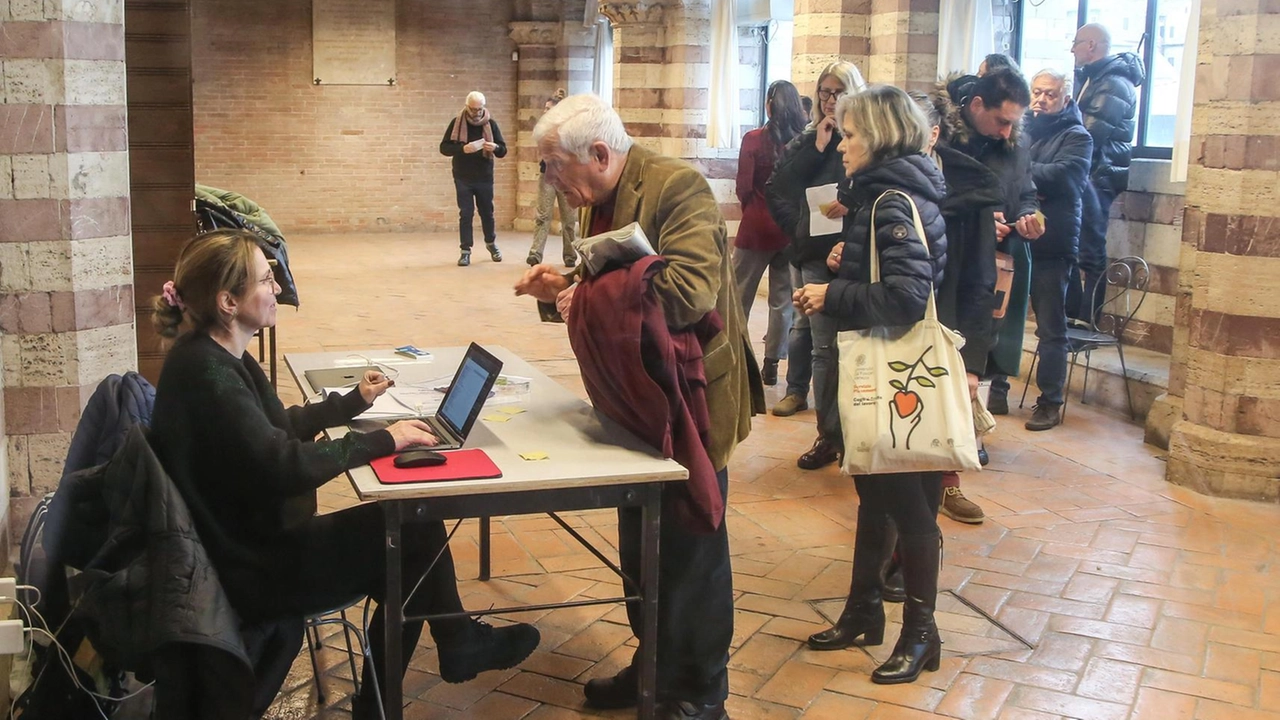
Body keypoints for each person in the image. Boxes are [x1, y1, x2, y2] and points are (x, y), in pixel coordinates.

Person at [147, 230, 540, 718]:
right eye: (267, 281)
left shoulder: (212, 356)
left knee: (408, 534)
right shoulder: (208, 374)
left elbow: (272, 429)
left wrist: (352, 403)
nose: (279, 289)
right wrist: (384, 441)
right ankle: (442, 655)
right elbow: (283, 465)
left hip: (251, 545)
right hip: (256, 567)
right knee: (410, 535)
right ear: (228, 301)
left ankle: (428, 665)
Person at [515, 93, 762, 720]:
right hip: (635, 397)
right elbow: (609, 284)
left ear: (599, 154)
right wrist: (564, 289)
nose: (547, 180)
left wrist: (585, 290)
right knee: (642, 543)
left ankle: (701, 693)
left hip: (692, 399)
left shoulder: (678, 190)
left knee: (692, 546)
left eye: (552, 166)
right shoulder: (595, 197)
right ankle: (654, 665)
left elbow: (683, 295)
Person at [794, 84, 951, 685]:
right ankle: (863, 610)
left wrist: (834, 292)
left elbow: (909, 297)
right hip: (880, 372)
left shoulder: (890, 199)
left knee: (910, 510)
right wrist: (848, 262)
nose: (842, 146)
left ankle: (921, 632)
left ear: (879, 136)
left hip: (898, 375)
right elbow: (896, 272)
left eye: (851, 134)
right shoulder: (882, 196)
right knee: (874, 496)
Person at [932, 67, 1043, 523]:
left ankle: (947, 480)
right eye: (1002, 120)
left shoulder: (1011, 145)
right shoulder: (937, 138)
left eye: (1015, 122)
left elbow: (1026, 190)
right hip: (937, 269)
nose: (1008, 131)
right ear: (976, 106)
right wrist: (978, 211)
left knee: (966, 376)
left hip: (983, 271)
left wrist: (1029, 214)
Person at [765, 60, 867, 469]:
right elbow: (780, 187)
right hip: (811, 254)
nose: (830, 100)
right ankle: (827, 434)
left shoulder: (866, 140)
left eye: (838, 91)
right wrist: (800, 229)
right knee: (816, 340)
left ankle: (850, 434)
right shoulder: (810, 138)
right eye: (824, 92)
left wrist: (849, 227)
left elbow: (872, 191)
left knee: (843, 346)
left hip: (851, 255)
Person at [1023, 69, 1094, 430]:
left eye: (1049, 94)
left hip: (1053, 244)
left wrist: (1025, 174)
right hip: (1015, 238)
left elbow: (1067, 177)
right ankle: (998, 390)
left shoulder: (1077, 136)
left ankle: (1049, 401)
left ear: (1065, 99)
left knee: (1051, 328)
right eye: (1036, 92)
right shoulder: (1021, 129)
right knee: (1000, 317)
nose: (1041, 99)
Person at [733, 80, 807, 386]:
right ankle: (771, 363)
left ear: (768, 105)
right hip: (790, 230)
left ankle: (735, 355)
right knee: (782, 300)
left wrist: (753, 209)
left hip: (755, 226)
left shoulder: (753, 139)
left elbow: (743, 187)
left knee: (739, 294)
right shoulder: (803, 142)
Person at [1069, 23, 1144, 322]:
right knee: (1074, 248)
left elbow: (1089, 135)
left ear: (1091, 45)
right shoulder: (1095, 78)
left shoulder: (1113, 83)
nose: (1072, 49)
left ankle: (1087, 321)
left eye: (1075, 43)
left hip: (1097, 177)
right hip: (1087, 175)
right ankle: (1072, 317)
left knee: (1090, 250)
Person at [440, 91, 508, 267]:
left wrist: (495, 147)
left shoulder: (490, 124)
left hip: (484, 176)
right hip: (463, 176)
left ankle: (491, 243)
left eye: (480, 109)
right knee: (466, 213)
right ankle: (465, 251)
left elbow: (503, 150)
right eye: (473, 109)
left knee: (487, 212)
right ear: (466, 106)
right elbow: (444, 148)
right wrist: (463, 149)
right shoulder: (457, 123)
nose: (476, 113)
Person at [528, 88, 578, 267]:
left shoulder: (570, 128)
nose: (545, 111)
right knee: (543, 215)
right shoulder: (542, 129)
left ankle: (570, 255)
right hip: (546, 174)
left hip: (567, 176)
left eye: (549, 109)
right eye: (545, 109)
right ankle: (535, 254)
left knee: (569, 219)